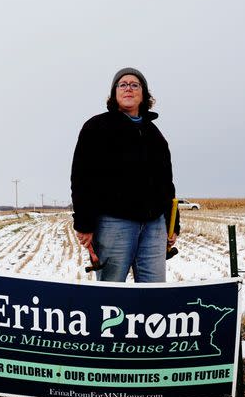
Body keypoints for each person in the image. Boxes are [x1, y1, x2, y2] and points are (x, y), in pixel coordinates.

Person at [71, 67, 180, 282]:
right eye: (122, 84)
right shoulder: (97, 127)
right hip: (113, 223)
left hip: (154, 226)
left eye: (135, 84)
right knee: (110, 292)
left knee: (154, 292)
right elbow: (81, 178)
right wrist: (84, 223)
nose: (128, 88)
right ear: (114, 93)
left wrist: (172, 224)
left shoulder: (155, 135)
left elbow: (166, 183)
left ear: (144, 94)